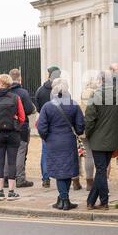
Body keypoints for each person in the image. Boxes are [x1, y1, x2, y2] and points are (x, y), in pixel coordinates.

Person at [37, 78, 84, 210]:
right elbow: (80, 127)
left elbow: (41, 127)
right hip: (69, 141)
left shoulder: (47, 107)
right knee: (68, 171)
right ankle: (65, 199)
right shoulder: (74, 105)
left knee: (59, 171)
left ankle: (63, 199)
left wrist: (47, 138)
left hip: (53, 142)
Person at [85, 71, 118, 210]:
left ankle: (104, 201)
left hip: (97, 139)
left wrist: (88, 134)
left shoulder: (95, 95)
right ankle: (91, 201)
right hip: (112, 138)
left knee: (101, 170)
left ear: (100, 80)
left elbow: (90, 119)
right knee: (101, 170)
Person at [0, 74, 26, 201]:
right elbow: (22, 117)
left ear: (1, 83)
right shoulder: (16, 98)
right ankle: (11, 192)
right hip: (13, 133)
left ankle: (0, 192)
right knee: (11, 162)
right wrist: (16, 125)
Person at [4, 69, 36, 188]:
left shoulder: (4, 92)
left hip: (7, 125)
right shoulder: (23, 93)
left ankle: (6, 177)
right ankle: (20, 178)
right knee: (21, 151)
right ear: (20, 78)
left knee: (8, 151)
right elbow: (29, 109)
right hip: (21, 125)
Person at [35, 66, 61, 188]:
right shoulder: (62, 90)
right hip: (58, 123)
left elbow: (39, 108)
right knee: (61, 151)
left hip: (45, 123)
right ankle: (60, 176)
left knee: (45, 152)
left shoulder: (40, 90)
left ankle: (46, 178)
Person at [77, 78, 97, 192]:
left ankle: (76, 180)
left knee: (79, 154)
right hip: (93, 130)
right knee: (90, 155)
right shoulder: (95, 100)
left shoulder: (80, 102)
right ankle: (90, 181)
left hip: (81, 130)